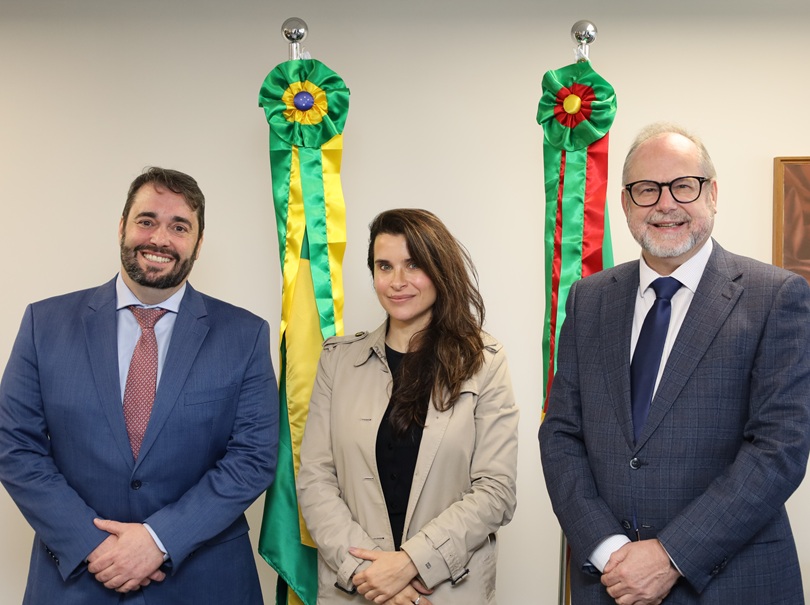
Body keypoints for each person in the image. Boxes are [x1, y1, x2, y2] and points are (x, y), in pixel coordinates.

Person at [540, 123, 810, 604]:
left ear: (712, 194)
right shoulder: (589, 299)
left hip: (734, 584)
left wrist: (670, 555)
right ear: (625, 203)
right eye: (646, 190)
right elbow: (560, 433)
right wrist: (608, 549)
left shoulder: (776, 297)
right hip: (609, 584)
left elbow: (779, 449)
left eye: (683, 186)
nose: (666, 204)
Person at [0, 167, 279, 604]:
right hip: (75, 577)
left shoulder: (244, 335)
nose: (160, 238)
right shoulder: (44, 324)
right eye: (146, 220)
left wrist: (159, 539)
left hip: (203, 580)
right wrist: (92, 545)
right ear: (122, 228)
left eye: (179, 226)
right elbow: (14, 445)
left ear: (198, 244)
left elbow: (254, 457)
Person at [297, 208, 518, 605]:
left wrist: (410, 564)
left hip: (447, 591)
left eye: (413, 265)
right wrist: (371, 574)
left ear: (439, 270)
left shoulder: (486, 361)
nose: (397, 282)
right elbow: (315, 481)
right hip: (354, 588)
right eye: (385, 266)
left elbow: (495, 491)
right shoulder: (337, 361)